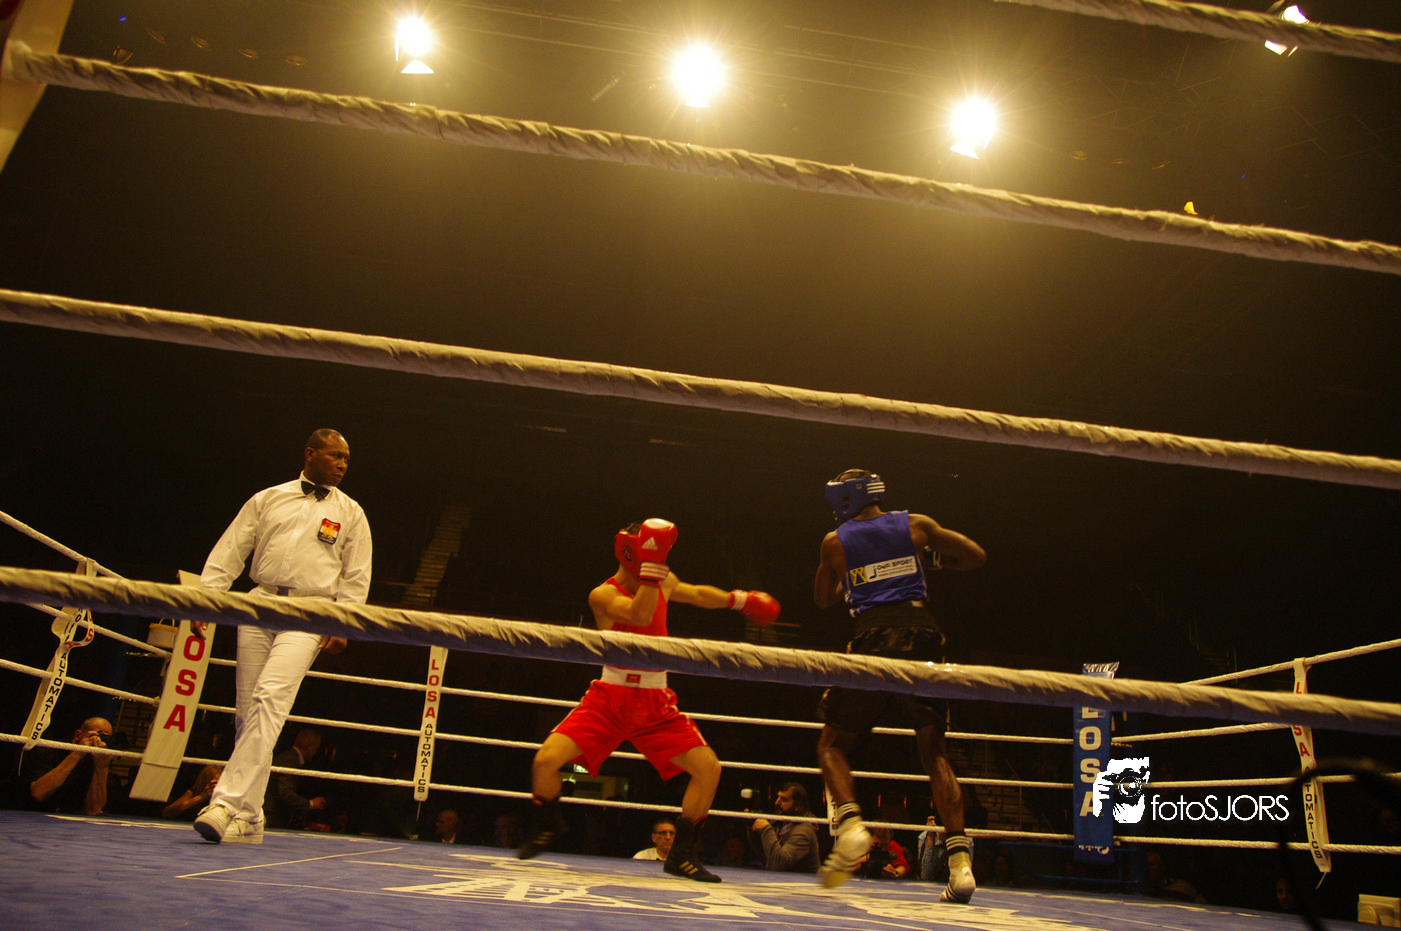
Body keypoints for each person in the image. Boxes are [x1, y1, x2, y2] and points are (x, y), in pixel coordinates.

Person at [518, 518, 781, 884]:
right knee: (545, 761)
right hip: (609, 698)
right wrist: (653, 570)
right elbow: (639, 615)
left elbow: (695, 594)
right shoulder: (602, 594)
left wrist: (739, 600)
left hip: (655, 700)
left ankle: (682, 855)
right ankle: (549, 822)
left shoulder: (663, 580)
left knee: (708, 769)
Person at [813, 469, 986, 900]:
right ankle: (960, 864)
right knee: (934, 750)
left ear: (845, 500)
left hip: (871, 635)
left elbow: (823, 599)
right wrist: (930, 561)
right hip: (921, 633)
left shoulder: (835, 542)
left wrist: (848, 571)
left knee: (832, 745)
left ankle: (851, 824)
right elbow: (975, 556)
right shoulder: (917, 525)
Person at [193, 429, 371, 845]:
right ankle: (251, 816)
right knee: (247, 712)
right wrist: (205, 601)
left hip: (311, 612)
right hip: (260, 603)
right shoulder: (267, 498)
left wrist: (343, 623)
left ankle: (224, 803)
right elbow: (231, 550)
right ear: (310, 454)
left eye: (346, 458)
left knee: (269, 699)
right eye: (335, 455)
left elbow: (356, 575)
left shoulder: (351, 512)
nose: (342, 464)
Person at [16, 717, 115, 815]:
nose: (100, 742)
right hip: (27, 812)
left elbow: (93, 810)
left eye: (105, 738)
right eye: (98, 735)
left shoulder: (96, 760)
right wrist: (77, 754)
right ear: (78, 735)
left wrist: (101, 768)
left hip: (66, 818)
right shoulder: (50, 749)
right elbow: (38, 794)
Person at [750, 781, 820, 872]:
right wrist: (751, 828)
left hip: (800, 880)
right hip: (780, 878)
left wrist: (766, 829)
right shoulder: (778, 823)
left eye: (784, 799)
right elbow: (766, 854)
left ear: (797, 805)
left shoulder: (804, 832)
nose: (777, 803)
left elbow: (779, 864)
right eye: (778, 797)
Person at [264, 727, 326, 828]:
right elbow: (284, 792)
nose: (315, 753)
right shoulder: (289, 760)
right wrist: (311, 804)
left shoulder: (291, 758)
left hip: (273, 812)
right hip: (272, 814)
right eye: (315, 749)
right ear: (308, 746)